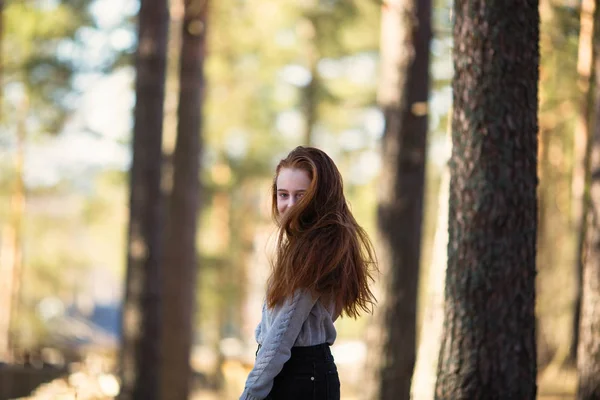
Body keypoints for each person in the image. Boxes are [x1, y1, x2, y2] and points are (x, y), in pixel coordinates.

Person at [240, 146, 378, 400]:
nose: (290, 205)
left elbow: (281, 335)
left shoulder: (315, 252)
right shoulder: (312, 245)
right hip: (305, 373)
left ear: (320, 197)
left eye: (301, 195)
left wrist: (249, 394)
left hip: (300, 377)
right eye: (283, 194)